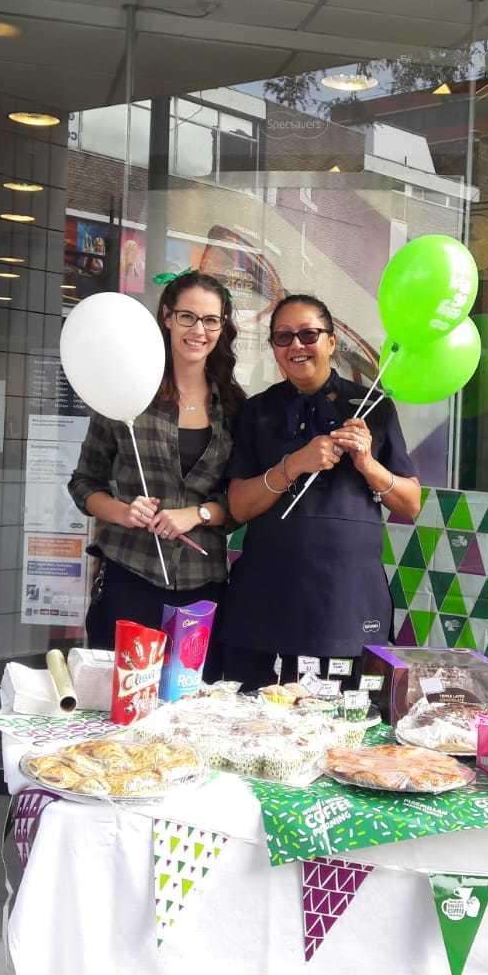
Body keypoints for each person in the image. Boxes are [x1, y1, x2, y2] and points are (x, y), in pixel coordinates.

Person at [219, 294, 421, 684]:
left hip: (346, 601)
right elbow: (239, 506)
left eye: (309, 334)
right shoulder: (256, 411)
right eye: (283, 337)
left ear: (331, 342)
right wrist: (294, 464)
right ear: (274, 349)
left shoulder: (373, 407)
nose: (296, 345)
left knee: (342, 730)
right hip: (267, 596)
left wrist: (367, 463)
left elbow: (410, 505)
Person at [68, 272, 243, 649]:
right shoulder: (128, 391)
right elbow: (83, 483)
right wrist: (122, 512)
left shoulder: (234, 407)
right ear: (166, 316)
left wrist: (198, 514)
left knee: (194, 704)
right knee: (124, 700)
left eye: (211, 320)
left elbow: (242, 501)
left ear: (222, 326)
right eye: (187, 317)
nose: (199, 330)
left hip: (203, 584)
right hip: (130, 575)